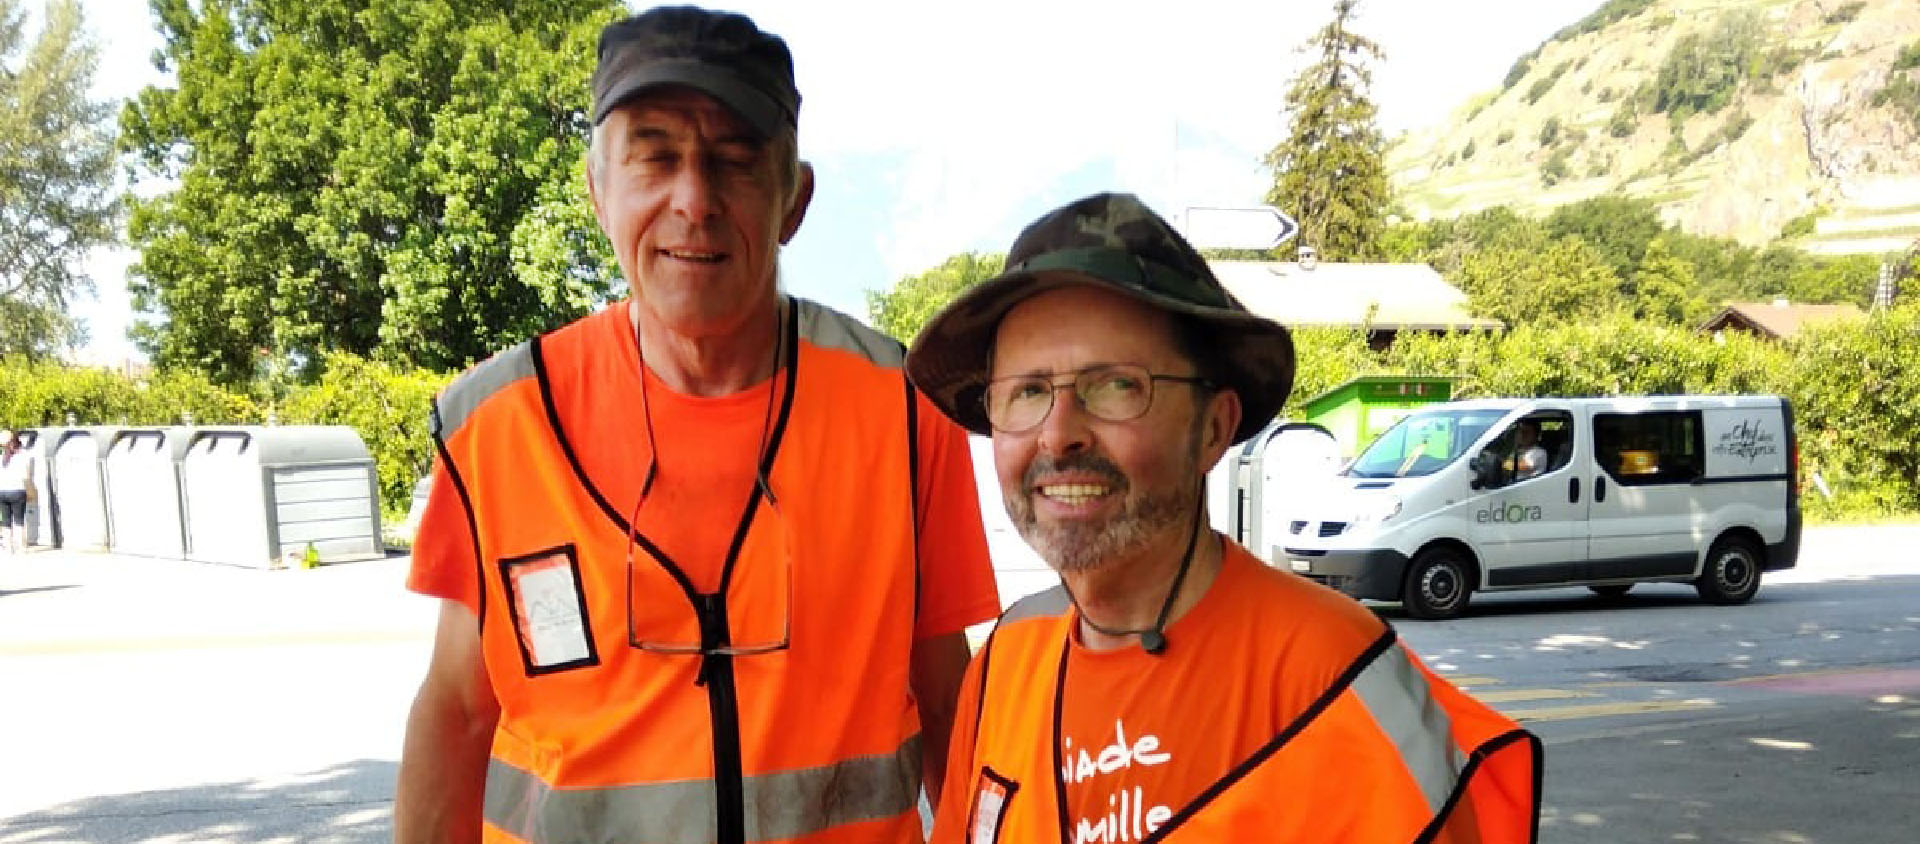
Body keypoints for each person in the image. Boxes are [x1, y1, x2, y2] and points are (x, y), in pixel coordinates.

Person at [394, 7, 1001, 842]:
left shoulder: (901, 409)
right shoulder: (500, 425)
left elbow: (947, 702)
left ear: (794, 200)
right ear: (597, 189)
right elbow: (459, 712)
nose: (695, 200)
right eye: (655, 156)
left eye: (735, 162)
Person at [906, 194, 1542, 843]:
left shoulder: (1335, 678)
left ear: (1213, 428)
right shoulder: (1007, 660)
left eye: (1116, 385)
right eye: (1027, 391)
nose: (1058, 433)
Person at [0, 432, 34, 554]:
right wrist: (30, 491)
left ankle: (8, 547)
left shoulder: (2, 458)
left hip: (2, 491)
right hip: (17, 490)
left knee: (6, 520)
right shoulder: (21, 457)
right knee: (19, 519)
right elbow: (26, 476)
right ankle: (20, 547)